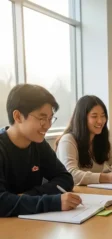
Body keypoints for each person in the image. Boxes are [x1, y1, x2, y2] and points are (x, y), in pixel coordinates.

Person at [0, 84, 82, 217]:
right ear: (18, 116)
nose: (48, 125)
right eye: (42, 118)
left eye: (50, 119)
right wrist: (53, 202)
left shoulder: (38, 143)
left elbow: (65, 179)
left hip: (31, 224)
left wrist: (28, 196)